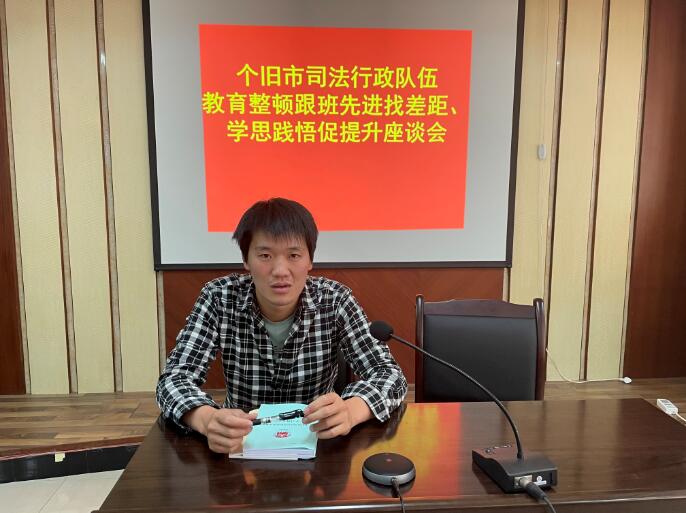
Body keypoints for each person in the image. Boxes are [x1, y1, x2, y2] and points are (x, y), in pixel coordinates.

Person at [156, 197, 407, 454]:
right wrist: (207, 419)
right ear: (246, 260)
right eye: (265, 255)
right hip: (240, 443)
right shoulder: (219, 298)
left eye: (294, 255)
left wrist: (351, 410)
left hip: (317, 445)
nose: (280, 270)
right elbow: (174, 379)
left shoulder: (334, 300)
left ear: (309, 260)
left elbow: (390, 375)